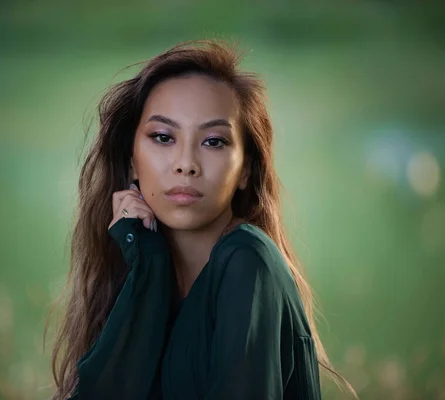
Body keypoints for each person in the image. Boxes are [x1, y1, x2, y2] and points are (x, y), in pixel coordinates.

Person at [49, 40, 356, 399]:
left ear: (246, 170)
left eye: (213, 142)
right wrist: (148, 262)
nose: (186, 164)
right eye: (163, 137)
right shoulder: (146, 263)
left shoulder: (248, 264)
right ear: (132, 161)